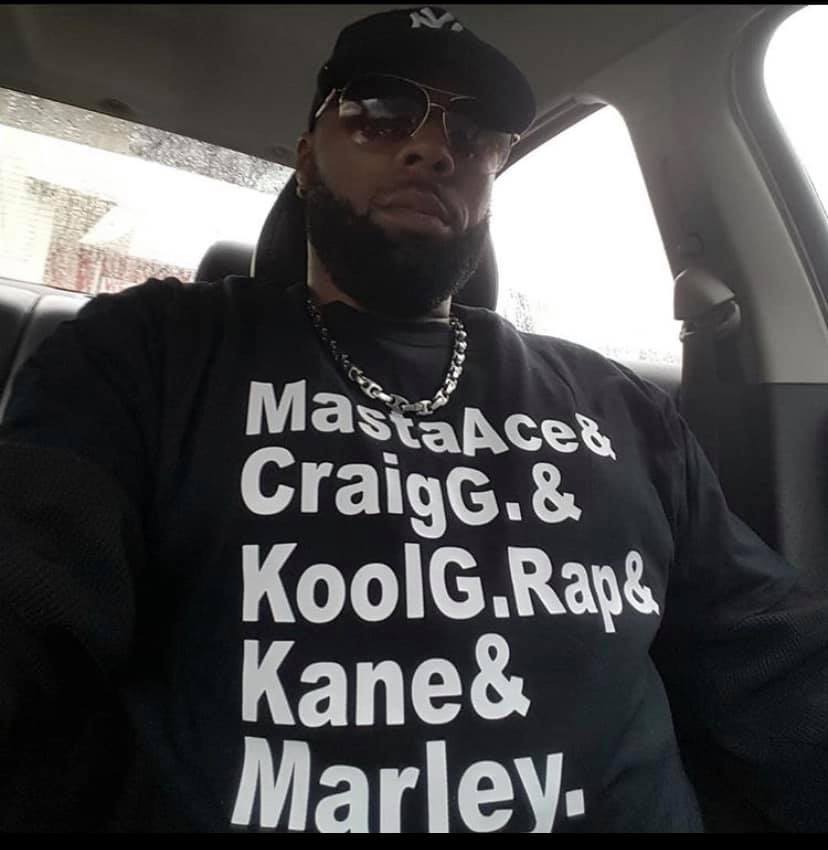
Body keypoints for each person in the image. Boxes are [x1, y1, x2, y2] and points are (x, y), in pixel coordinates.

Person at [0, 5, 826, 834]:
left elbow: (772, 658)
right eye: (380, 111)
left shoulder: (620, 406)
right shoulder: (148, 354)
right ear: (305, 157)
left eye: (473, 133)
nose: (434, 148)